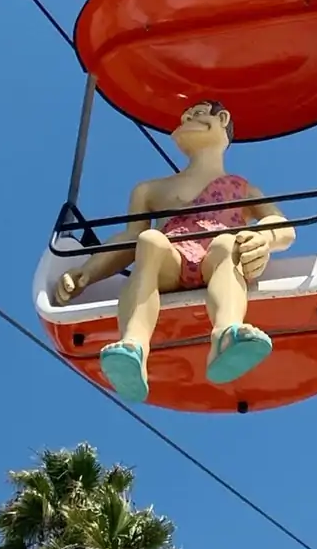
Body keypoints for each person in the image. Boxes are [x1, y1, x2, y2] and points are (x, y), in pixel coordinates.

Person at [54, 99, 295, 402]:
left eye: (197, 114)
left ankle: (227, 333)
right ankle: (132, 348)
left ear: (221, 119)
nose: (188, 119)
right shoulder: (151, 190)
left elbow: (281, 224)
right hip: (171, 260)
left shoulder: (243, 188)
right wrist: (88, 271)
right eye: (185, 116)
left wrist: (264, 239)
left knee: (225, 243)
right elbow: (130, 238)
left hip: (217, 258)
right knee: (150, 241)